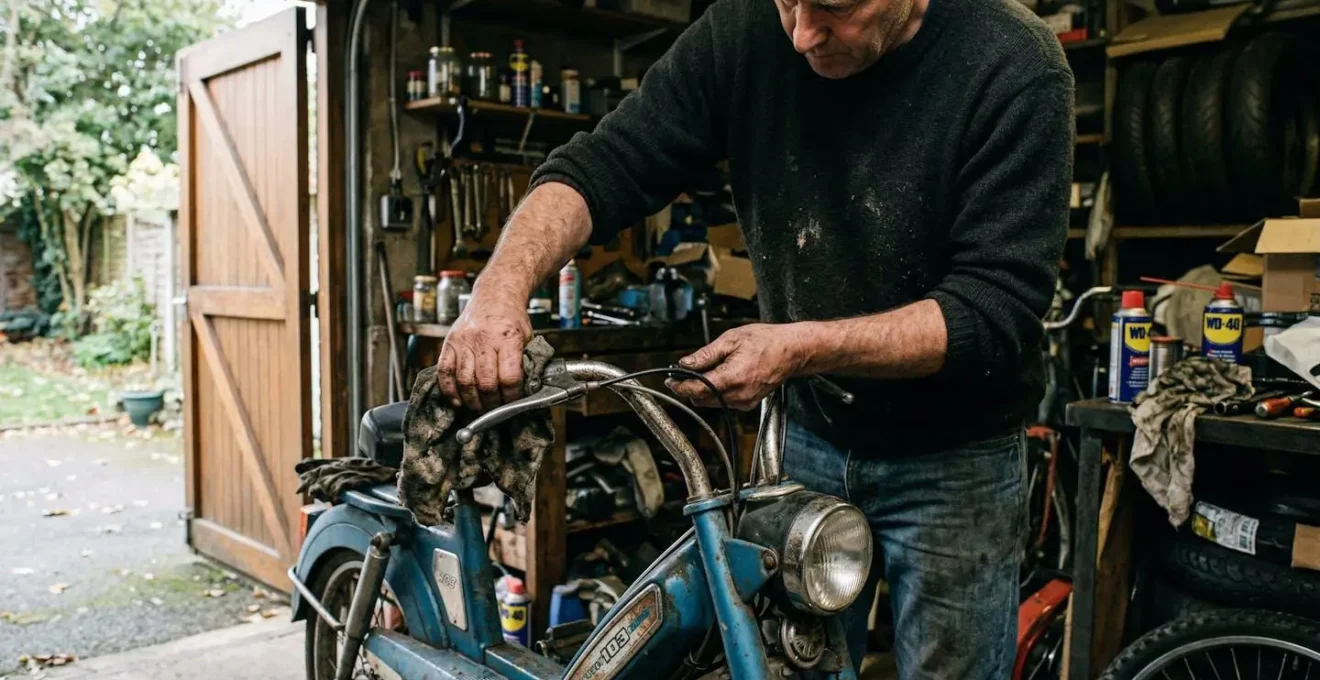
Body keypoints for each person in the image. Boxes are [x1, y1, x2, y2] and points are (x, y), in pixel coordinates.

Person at [433, 0, 1073, 673]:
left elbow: (993, 309)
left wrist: (800, 347)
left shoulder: (1012, 65)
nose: (800, 34)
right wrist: (498, 290)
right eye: (787, 2)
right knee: (792, 664)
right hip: (809, 439)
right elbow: (605, 164)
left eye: (829, 8)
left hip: (957, 458)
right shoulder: (743, 31)